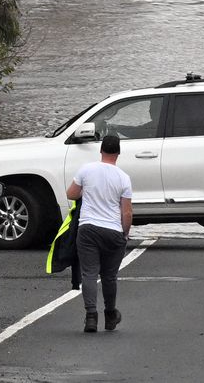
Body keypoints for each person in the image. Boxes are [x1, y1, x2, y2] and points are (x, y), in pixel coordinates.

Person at [66, 134, 132, 333]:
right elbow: (127, 212)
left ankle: (91, 317)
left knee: (89, 273)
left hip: (87, 229)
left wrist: (85, 192)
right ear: (118, 153)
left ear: (101, 150)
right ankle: (110, 315)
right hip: (112, 231)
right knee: (109, 276)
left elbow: (71, 194)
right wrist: (125, 233)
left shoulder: (87, 169)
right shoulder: (123, 177)